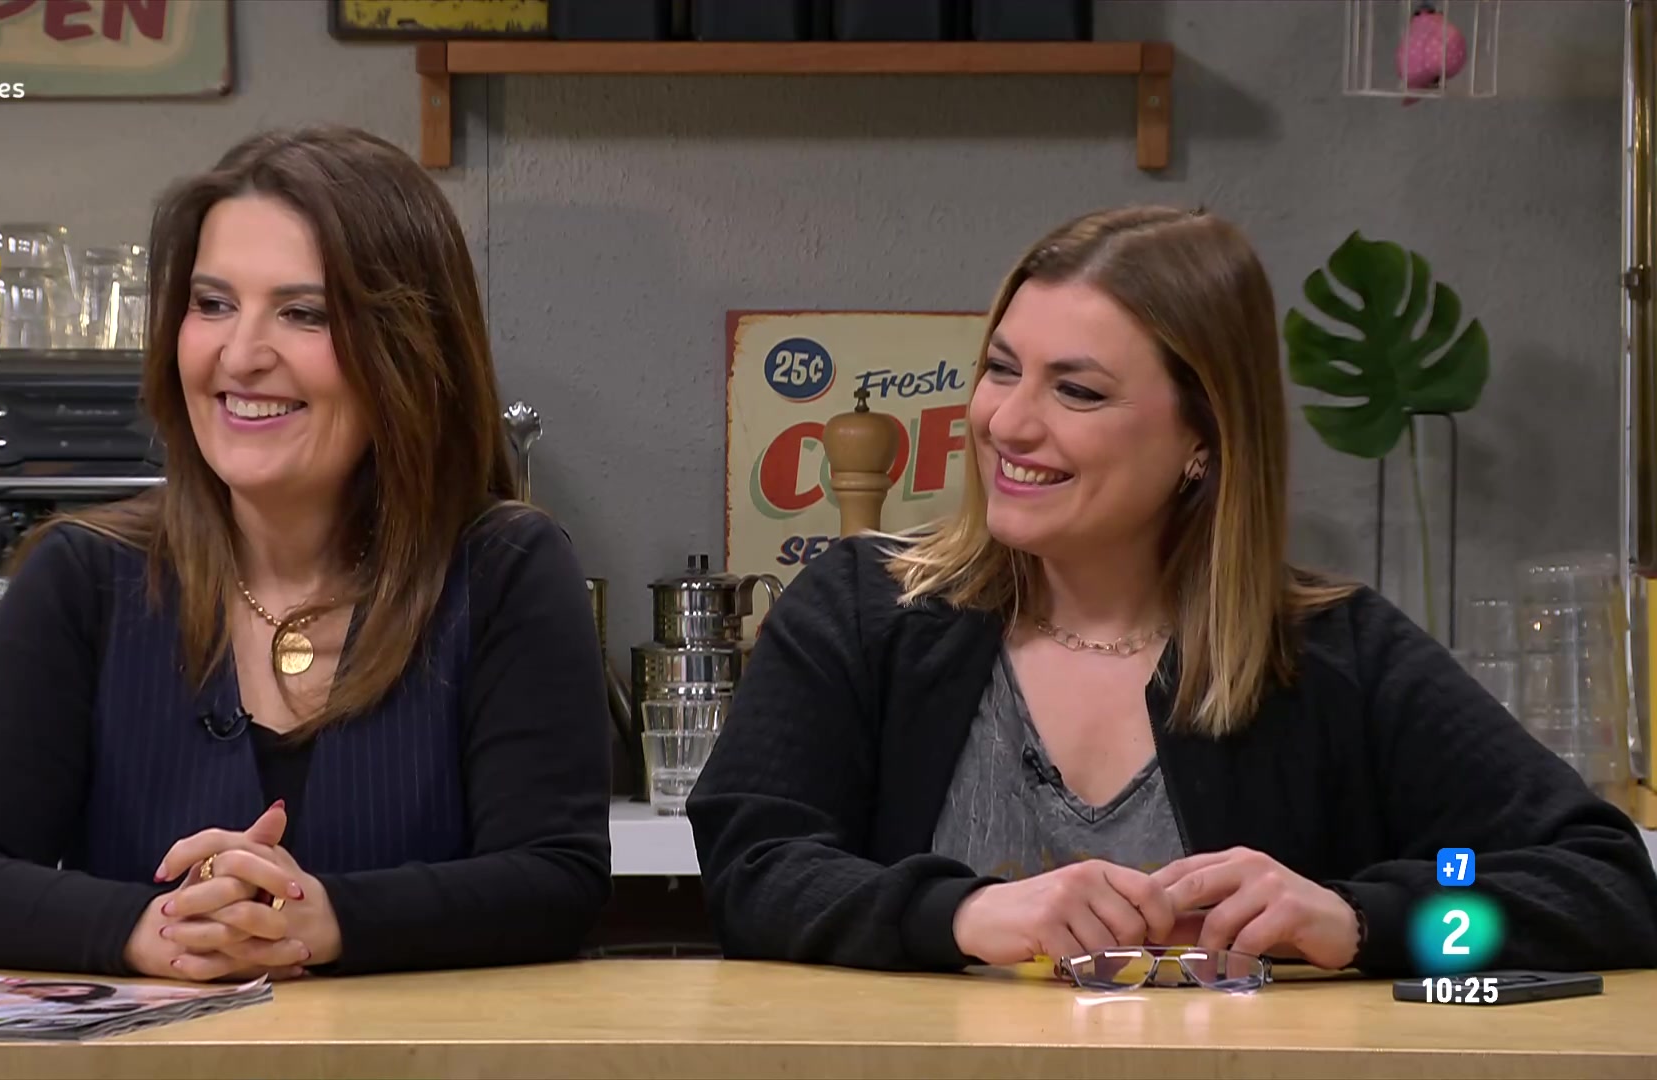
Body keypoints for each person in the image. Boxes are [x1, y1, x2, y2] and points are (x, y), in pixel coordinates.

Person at [687, 205, 1657, 979]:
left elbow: (1601, 886)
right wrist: (964, 913)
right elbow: (753, 869)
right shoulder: (864, 611)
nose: (1007, 424)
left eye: (1077, 391)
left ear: (1202, 439)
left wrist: (1361, 919)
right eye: (1001, 370)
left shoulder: (1332, 655)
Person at [0, 125, 612, 981]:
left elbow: (554, 881)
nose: (240, 356)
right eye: (212, 305)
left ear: (408, 350)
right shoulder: (83, 576)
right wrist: (157, 928)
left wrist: (326, 919)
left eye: (304, 313)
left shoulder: (503, 570)